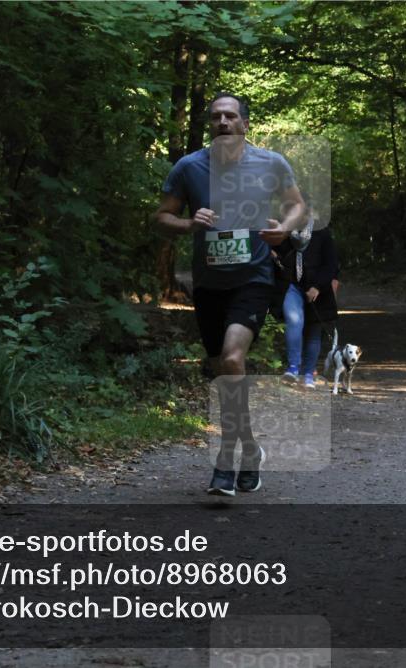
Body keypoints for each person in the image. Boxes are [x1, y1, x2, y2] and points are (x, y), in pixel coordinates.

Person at [152, 93, 306, 496]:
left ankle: (225, 457)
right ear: (211, 124)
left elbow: (297, 206)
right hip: (209, 285)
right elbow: (161, 217)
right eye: (216, 117)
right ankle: (251, 448)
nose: (223, 122)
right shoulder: (189, 167)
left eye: (230, 116)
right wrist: (188, 224)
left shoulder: (270, 163)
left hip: (253, 279)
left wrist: (284, 229)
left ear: (244, 124)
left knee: (234, 358)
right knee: (224, 370)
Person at [276, 214, 339, 389]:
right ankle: (293, 368)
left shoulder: (322, 232)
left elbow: (331, 264)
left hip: (318, 289)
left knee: (313, 331)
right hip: (292, 286)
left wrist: (317, 287)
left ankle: (308, 374)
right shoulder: (285, 231)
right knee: (294, 321)